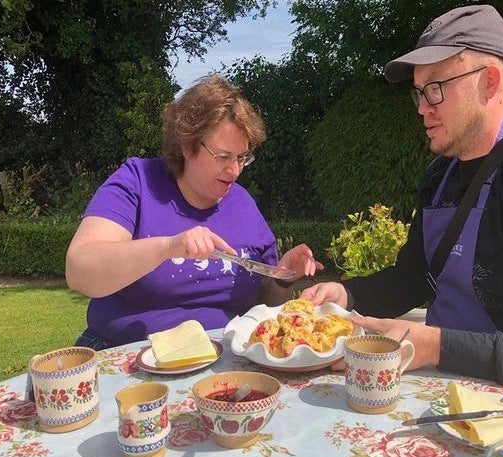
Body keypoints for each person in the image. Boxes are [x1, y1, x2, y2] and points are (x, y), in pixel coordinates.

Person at [300, 4, 503, 418]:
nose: (422, 107)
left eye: (436, 88)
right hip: (444, 403)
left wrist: (433, 344)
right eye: (419, 91)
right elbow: (414, 278)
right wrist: (349, 294)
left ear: (490, 82)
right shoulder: (440, 175)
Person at [66, 74, 322, 349]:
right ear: (187, 146)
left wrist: (282, 277)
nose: (234, 170)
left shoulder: (243, 203)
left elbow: (263, 304)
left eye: (241, 158)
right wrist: (168, 247)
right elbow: (80, 269)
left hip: (221, 356)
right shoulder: (138, 181)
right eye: (223, 156)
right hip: (127, 351)